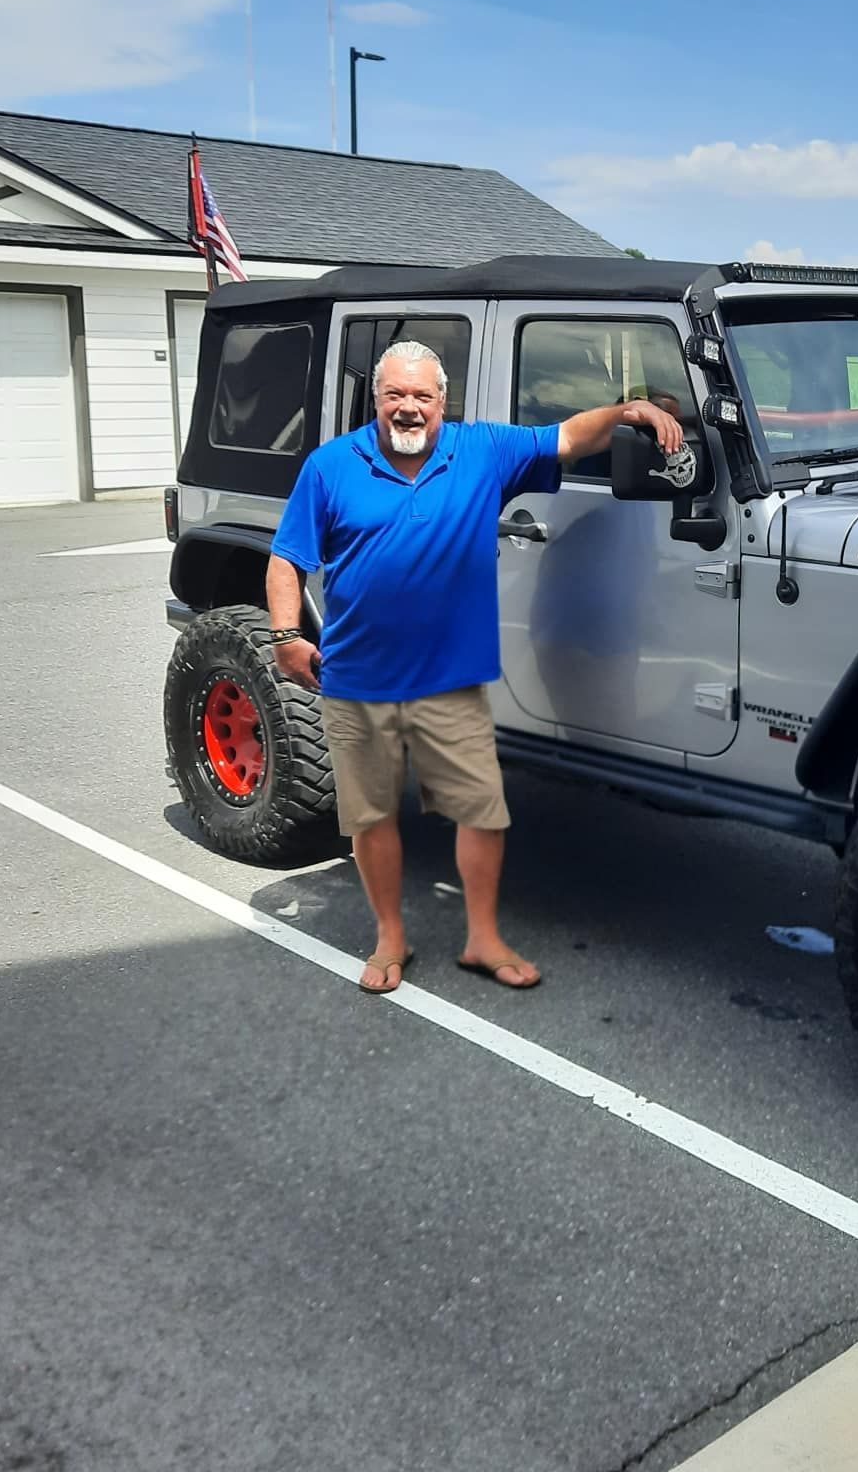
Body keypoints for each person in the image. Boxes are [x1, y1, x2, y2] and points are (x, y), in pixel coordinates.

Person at [265, 339, 682, 994]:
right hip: (357, 680)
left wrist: (628, 411)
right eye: (395, 395)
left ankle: (482, 938)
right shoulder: (331, 467)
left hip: (450, 683)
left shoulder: (481, 450)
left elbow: (567, 437)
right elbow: (287, 555)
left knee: (482, 813)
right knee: (371, 818)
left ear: (443, 402)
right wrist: (286, 634)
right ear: (376, 400)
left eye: (422, 396)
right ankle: (390, 936)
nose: (408, 408)